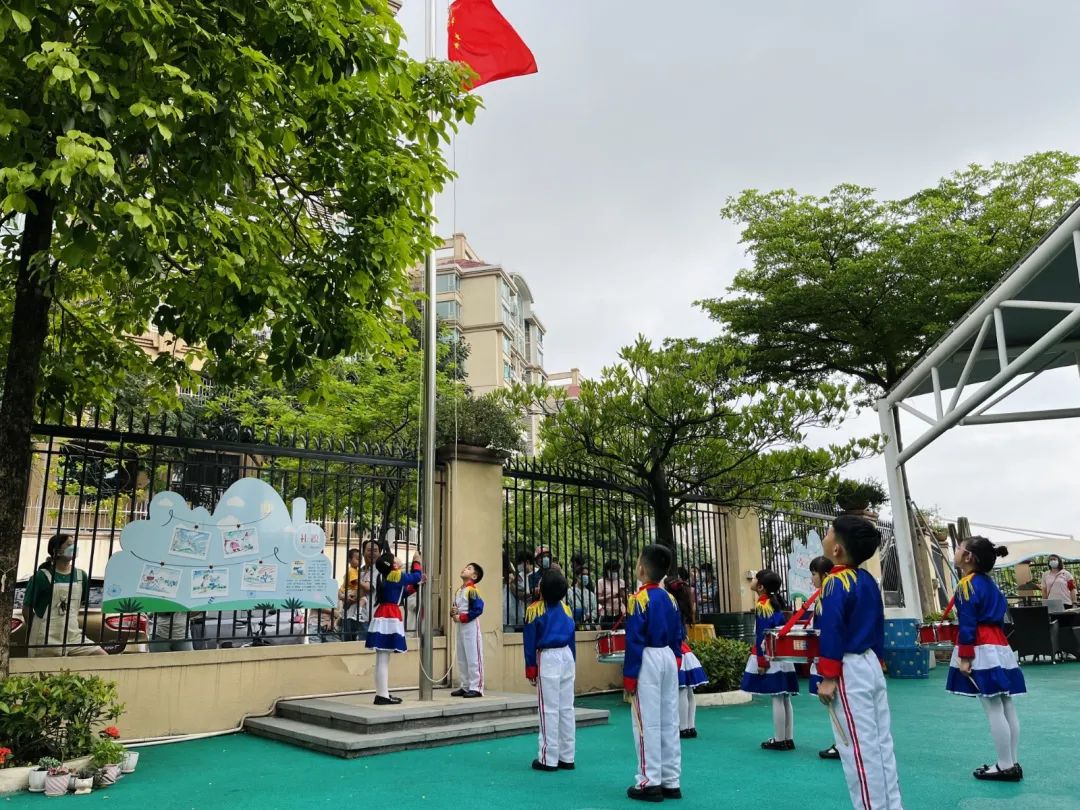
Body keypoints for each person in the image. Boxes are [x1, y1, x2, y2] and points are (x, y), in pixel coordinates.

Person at [816, 515, 902, 810]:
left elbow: (832, 630)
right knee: (881, 744)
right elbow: (878, 624)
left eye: (829, 532)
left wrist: (828, 676)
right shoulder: (867, 580)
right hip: (870, 664)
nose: (825, 535)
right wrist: (879, 659)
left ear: (837, 549)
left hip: (849, 669)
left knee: (857, 750)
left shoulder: (834, 582)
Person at [948, 536, 1026, 782]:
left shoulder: (966, 585)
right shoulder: (989, 584)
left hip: (981, 645)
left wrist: (965, 656)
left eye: (958, 548)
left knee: (993, 707)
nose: (955, 551)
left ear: (968, 557)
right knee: (1006, 704)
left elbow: (967, 623)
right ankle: (1012, 761)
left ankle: (1004, 765)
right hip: (999, 644)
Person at [622, 544, 683, 802]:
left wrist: (629, 676)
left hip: (647, 658)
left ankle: (649, 782)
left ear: (641, 569)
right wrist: (676, 658)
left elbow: (634, 640)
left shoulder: (639, 599)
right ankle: (671, 780)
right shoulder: (670, 598)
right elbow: (678, 633)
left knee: (645, 722)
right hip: (668, 656)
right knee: (669, 720)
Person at [524, 569, 577, 772]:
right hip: (567, 656)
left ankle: (548, 758)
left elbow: (530, 641)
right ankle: (567, 756)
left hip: (548, 658)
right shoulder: (566, 609)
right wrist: (573, 662)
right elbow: (572, 639)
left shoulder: (534, 610)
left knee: (548, 709)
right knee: (567, 708)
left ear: (543, 588)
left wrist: (531, 669)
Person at [740, 569, 798, 750]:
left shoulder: (763, 605)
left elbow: (762, 635)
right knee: (784, 696)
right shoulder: (775, 603)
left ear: (761, 587)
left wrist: (762, 661)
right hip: (782, 654)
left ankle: (779, 739)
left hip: (771, 654)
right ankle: (788, 738)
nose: (752, 579)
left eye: (755, 578)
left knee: (777, 697)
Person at [23, 534, 106, 657]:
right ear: (57, 551)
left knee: (101, 656)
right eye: (69, 545)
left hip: (73, 636)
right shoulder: (41, 576)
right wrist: (37, 630)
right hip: (45, 638)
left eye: (74, 544)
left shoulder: (81, 576)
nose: (74, 547)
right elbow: (27, 609)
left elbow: (79, 603)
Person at [365, 550, 424, 705]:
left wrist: (415, 587)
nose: (398, 558)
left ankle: (381, 693)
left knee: (381, 658)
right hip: (390, 615)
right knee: (383, 659)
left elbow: (400, 593)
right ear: (394, 565)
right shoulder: (396, 575)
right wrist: (417, 561)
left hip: (382, 614)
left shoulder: (385, 576)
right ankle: (382, 695)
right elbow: (416, 576)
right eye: (395, 558)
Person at [665, 576, 707, 739]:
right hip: (684, 648)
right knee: (688, 690)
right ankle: (690, 726)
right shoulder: (683, 605)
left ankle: (682, 727)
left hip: (676, 649)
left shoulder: (671, 607)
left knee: (682, 689)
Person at [806, 555, 839, 760]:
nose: (812, 578)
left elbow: (829, 629)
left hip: (829, 656)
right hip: (827, 654)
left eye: (813, 574)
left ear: (825, 574)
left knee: (836, 703)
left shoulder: (829, 597)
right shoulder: (825, 596)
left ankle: (841, 743)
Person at [450, 562, 485, 698]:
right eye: (465, 567)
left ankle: (476, 687)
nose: (464, 569)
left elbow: (478, 609)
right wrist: (453, 613)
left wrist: (462, 617)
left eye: (469, 569)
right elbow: (457, 607)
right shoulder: (459, 591)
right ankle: (465, 685)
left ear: (474, 576)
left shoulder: (472, 590)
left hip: (470, 625)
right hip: (460, 626)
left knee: (473, 656)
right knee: (462, 656)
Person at [597, 559, 627, 628]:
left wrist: (623, 595)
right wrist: (611, 596)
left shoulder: (621, 582)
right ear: (607, 570)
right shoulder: (601, 582)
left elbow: (625, 601)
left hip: (620, 614)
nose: (614, 573)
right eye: (613, 570)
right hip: (607, 614)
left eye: (616, 571)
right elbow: (598, 600)